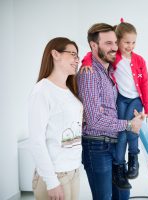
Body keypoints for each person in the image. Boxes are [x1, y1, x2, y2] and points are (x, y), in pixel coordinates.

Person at [81, 19, 148, 190]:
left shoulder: (139, 60)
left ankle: (133, 157)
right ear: (119, 42)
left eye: (133, 42)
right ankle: (120, 166)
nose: (130, 46)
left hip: (136, 99)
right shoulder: (115, 59)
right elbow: (91, 55)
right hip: (121, 99)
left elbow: (145, 83)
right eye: (126, 42)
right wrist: (86, 63)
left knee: (132, 130)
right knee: (123, 132)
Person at [28, 37, 82, 200]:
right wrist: (51, 182)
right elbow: (36, 140)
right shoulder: (42, 90)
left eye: (77, 56)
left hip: (73, 169)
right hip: (55, 173)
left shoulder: (69, 91)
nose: (76, 59)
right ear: (55, 54)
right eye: (73, 54)